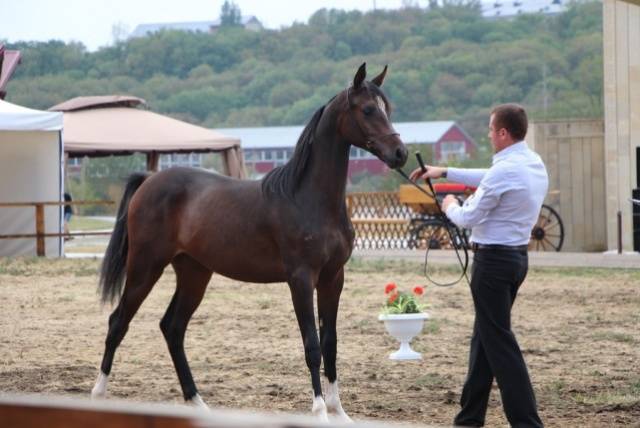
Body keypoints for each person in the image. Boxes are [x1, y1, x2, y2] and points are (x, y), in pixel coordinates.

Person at [410, 104, 547, 427]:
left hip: (493, 264)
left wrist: (450, 205)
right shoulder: (531, 162)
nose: (488, 135)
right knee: (484, 339)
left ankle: (527, 422)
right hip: (515, 260)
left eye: (490, 129)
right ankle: (469, 418)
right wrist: (443, 171)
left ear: (502, 133)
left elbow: (469, 218)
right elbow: (490, 176)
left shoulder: (505, 170)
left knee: (498, 342)